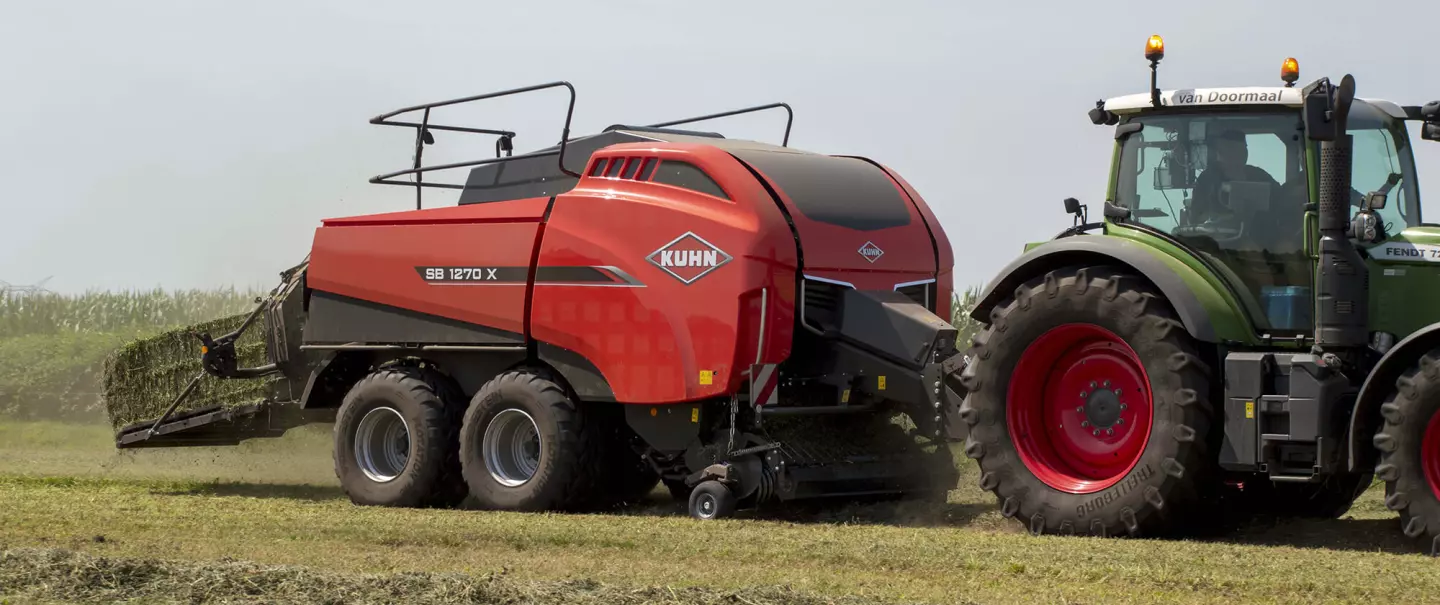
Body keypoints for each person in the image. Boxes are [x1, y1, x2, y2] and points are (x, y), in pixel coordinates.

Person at [1189, 129, 1279, 223]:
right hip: (1217, 236)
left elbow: (1281, 196)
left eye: (1243, 148)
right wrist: (1222, 218)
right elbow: (1196, 217)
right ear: (1220, 151)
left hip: (1259, 235)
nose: (1241, 153)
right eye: (1233, 148)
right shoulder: (1207, 179)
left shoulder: (1258, 175)